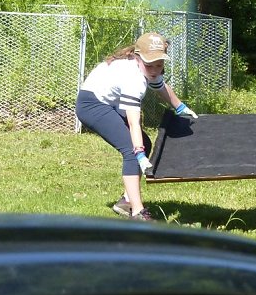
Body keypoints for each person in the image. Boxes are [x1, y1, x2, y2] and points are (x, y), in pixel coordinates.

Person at [75, 31, 198, 221]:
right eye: (151, 65)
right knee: (132, 150)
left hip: (107, 103)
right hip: (91, 105)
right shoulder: (134, 80)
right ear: (137, 57)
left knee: (145, 143)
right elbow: (134, 121)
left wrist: (181, 108)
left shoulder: (148, 68)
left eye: (160, 64)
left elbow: (160, 86)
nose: (155, 70)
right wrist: (139, 154)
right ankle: (138, 212)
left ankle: (126, 201)